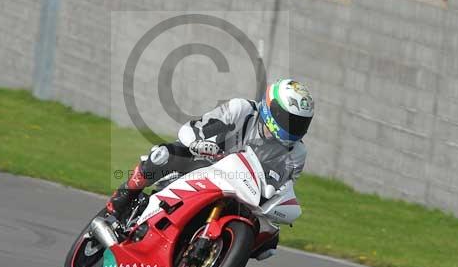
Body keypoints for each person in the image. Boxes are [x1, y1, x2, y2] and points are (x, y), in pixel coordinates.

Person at [106, 79, 314, 256]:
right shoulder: (241, 110)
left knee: (267, 245)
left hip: (246, 192)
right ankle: (119, 202)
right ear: (272, 109)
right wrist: (201, 141)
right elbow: (195, 128)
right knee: (162, 155)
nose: (293, 127)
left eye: (300, 123)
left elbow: (283, 186)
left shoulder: (296, 153)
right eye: (290, 119)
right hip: (207, 163)